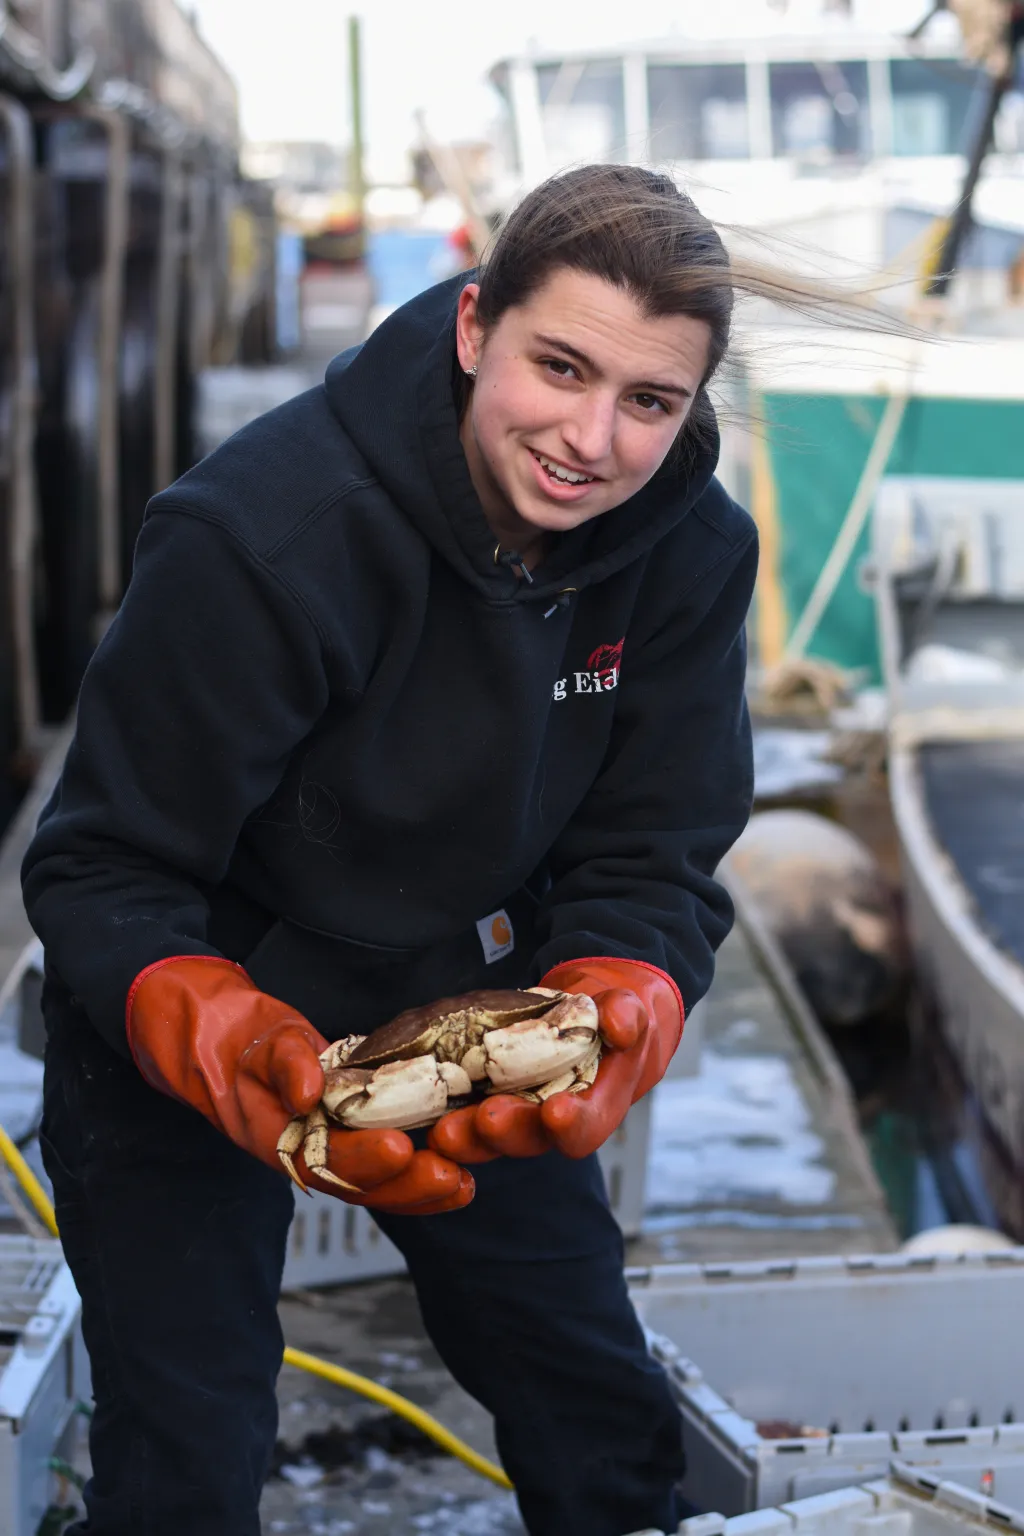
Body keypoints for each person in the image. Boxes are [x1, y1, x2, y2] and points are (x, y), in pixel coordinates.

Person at [22, 163, 758, 1536]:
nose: (591, 438)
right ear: (476, 328)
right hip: (203, 994)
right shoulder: (261, 534)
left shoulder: (693, 556)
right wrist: (219, 1034)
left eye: (649, 401)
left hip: (466, 998)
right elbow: (97, 867)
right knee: (187, 1446)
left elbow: (657, 849)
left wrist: (625, 995)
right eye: (560, 367)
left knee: (598, 1407)